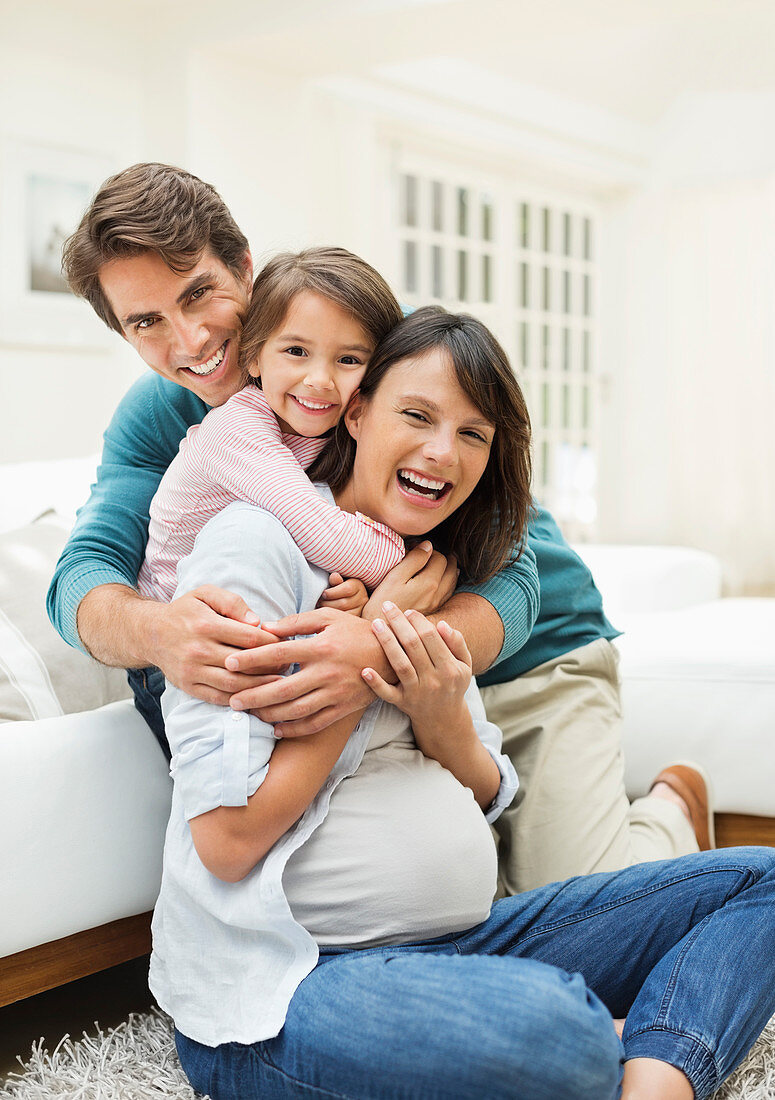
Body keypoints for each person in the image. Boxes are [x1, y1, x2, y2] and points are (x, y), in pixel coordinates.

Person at [151, 307, 775, 1100]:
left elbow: (488, 795)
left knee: (760, 882)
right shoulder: (253, 547)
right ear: (356, 411)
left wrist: (440, 715)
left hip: (465, 944)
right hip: (292, 985)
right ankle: (612, 1038)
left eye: (473, 434)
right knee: (557, 1035)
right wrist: (370, 651)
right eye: (417, 415)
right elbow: (226, 842)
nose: (443, 452)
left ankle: (653, 1081)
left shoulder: (424, 565)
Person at [49, 162, 707, 892]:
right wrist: (160, 632)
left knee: (582, 903)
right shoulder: (166, 419)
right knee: (462, 898)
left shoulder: (374, 350)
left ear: (242, 266)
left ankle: (670, 813)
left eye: (199, 292)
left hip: (531, 663)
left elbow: (515, 576)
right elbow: (84, 575)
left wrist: (376, 642)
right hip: (387, 694)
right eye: (147, 322)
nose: (192, 338)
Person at [138, 245, 405, 606]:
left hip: (262, 593)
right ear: (254, 357)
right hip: (178, 622)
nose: (319, 380)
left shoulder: (343, 429)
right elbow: (329, 539)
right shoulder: (235, 431)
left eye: (348, 359)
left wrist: (352, 590)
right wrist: (407, 568)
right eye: (296, 351)